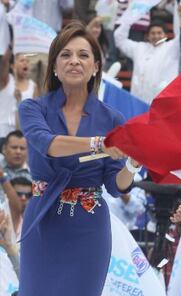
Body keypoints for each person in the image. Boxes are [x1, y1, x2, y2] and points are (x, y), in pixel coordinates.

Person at [18, 21, 141, 296]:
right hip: (43, 220)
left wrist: (132, 164)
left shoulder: (112, 118)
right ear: (54, 66)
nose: (74, 61)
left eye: (83, 55)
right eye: (66, 55)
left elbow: (115, 184)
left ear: (96, 66)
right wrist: (100, 145)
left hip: (89, 228)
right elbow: (47, 144)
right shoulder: (32, 108)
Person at [114, 19, 180, 105]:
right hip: (140, 100)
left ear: (165, 35)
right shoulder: (139, 48)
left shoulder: (172, 47)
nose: (156, 36)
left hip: (164, 101)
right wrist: (130, 19)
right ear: (147, 36)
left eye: (159, 33)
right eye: (153, 33)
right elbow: (120, 39)